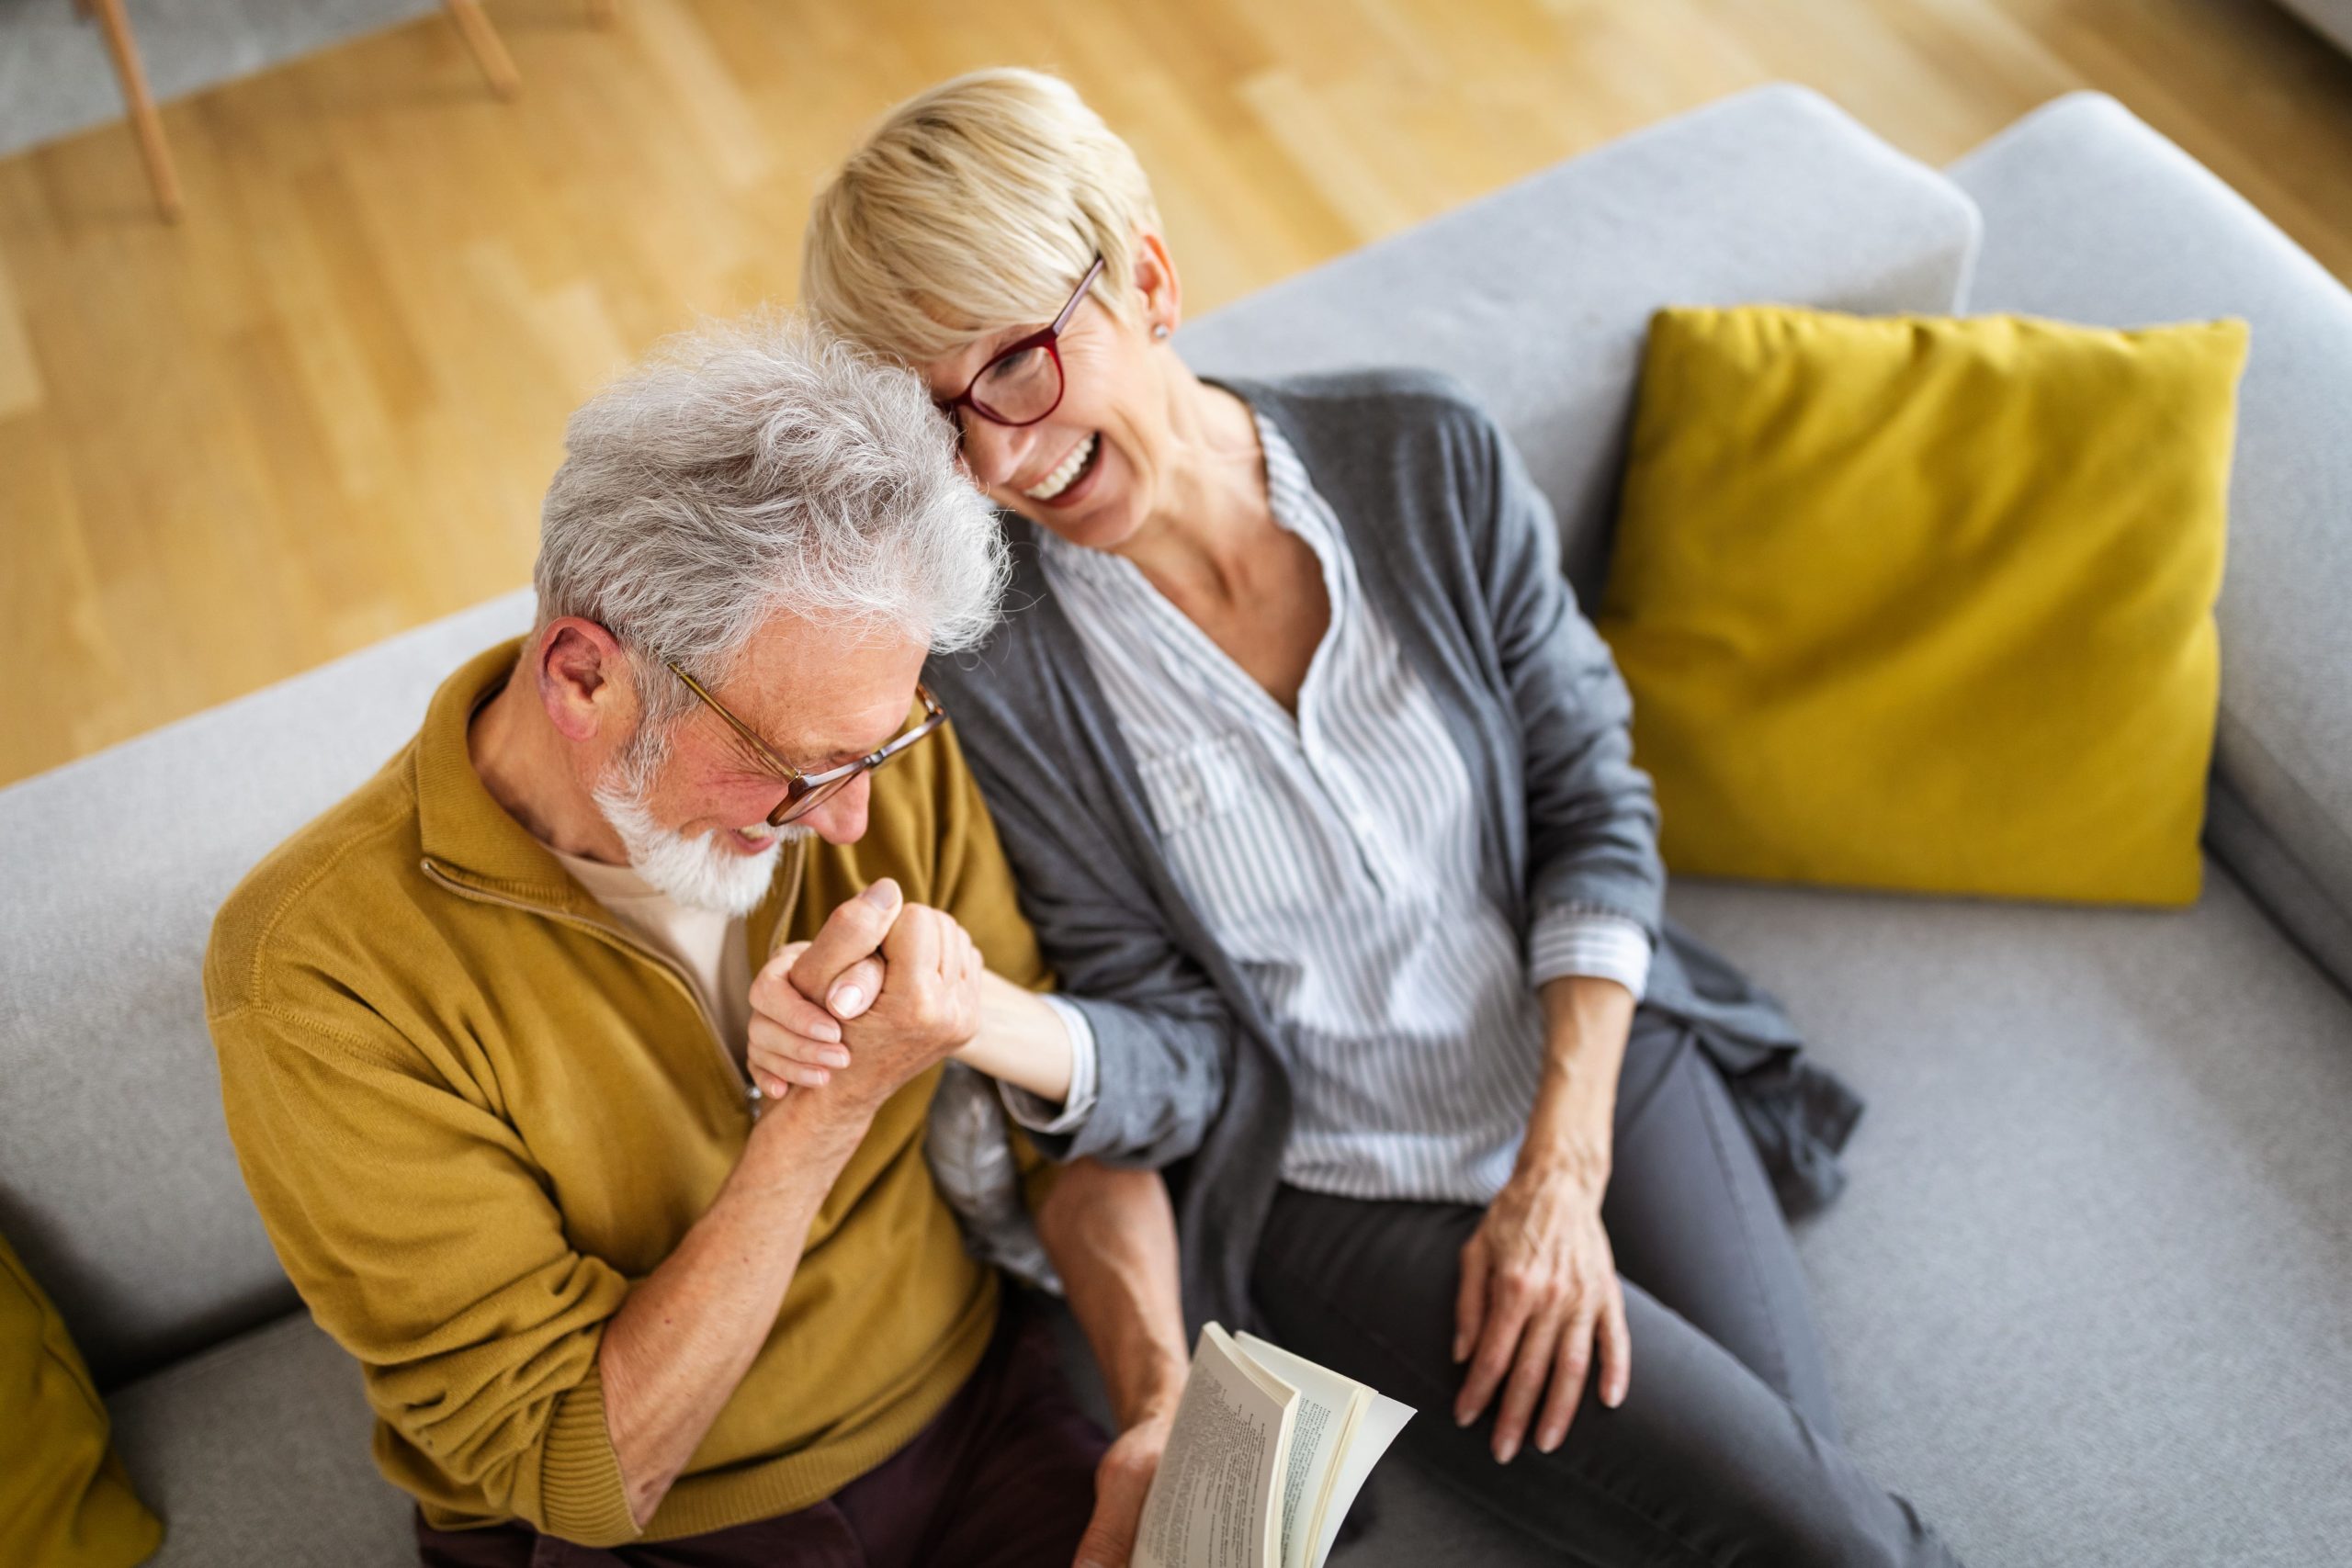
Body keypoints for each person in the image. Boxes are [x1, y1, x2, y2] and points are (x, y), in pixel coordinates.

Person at [782, 66, 1965, 1565]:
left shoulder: (1422, 453)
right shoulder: (999, 677)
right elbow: (1173, 1035)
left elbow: (1589, 802)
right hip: (1342, 1185)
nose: (1000, 457)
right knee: (1814, 1535)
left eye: (1013, 365)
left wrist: (1564, 1169)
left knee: (1802, 1509)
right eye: (942, 421)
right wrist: (990, 1023)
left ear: (1144, 276)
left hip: (1586, 1048)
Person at [204, 312, 1190, 1568]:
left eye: (878, 748)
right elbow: (580, 1469)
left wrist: (1158, 1411)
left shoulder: (870, 754)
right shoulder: (316, 976)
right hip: (661, 1530)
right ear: (581, 679)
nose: (851, 821)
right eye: (801, 768)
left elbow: (1070, 1141)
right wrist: (826, 1109)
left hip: (981, 1423)